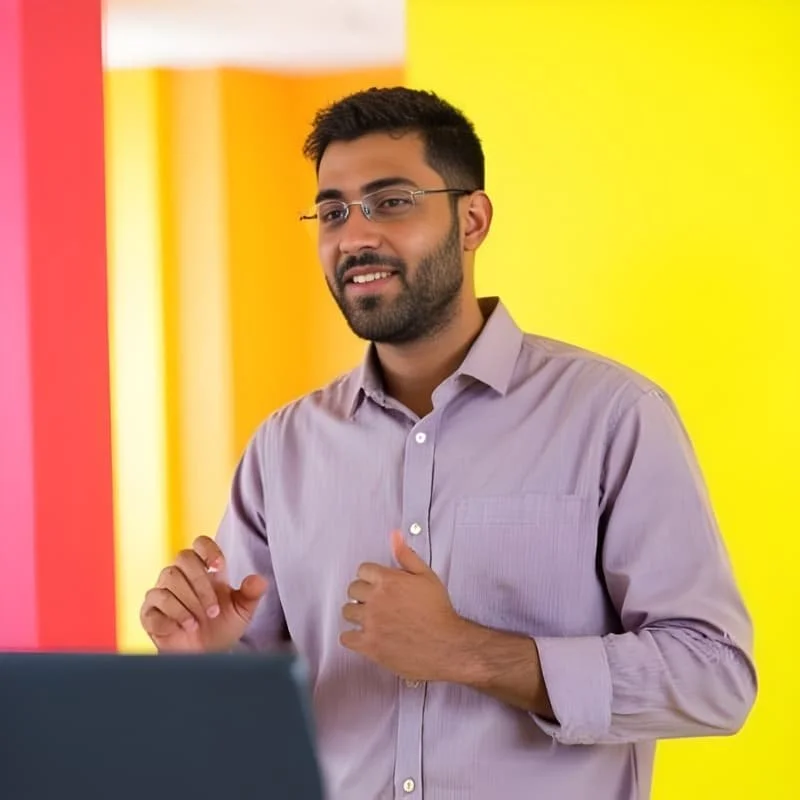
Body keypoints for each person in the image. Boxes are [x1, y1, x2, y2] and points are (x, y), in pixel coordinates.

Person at [139, 87, 757, 799]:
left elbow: (716, 679)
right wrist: (205, 663)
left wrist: (471, 653)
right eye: (333, 211)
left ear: (473, 219)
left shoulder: (614, 418)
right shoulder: (284, 449)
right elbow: (251, 729)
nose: (355, 236)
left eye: (391, 201)